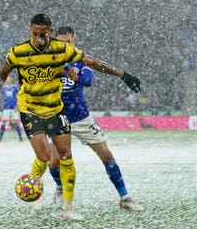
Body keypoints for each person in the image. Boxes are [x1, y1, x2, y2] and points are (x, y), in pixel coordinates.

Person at [0, 13, 141, 220]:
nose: (39, 39)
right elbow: (2, 74)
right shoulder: (20, 53)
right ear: (30, 31)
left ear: (68, 39)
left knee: (96, 155)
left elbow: (91, 70)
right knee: (49, 160)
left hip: (74, 114)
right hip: (41, 110)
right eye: (35, 34)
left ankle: (119, 197)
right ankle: (55, 190)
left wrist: (122, 75)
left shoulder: (67, 55)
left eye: (44, 35)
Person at [47, 26, 142, 211]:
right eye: (60, 42)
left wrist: (77, 78)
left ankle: (125, 197)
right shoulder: (49, 61)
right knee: (54, 161)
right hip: (57, 117)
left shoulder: (80, 60)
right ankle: (60, 189)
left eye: (68, 41)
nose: (64, 45)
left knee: (106, 155)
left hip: (81, 117)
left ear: (74, 40)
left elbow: (89, 80)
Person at [0, 75, 24, 142]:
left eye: (9, 79)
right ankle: (0, 138)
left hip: (14, 108)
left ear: (11, 80)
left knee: (16, 122)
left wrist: (18, 106)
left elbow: (19, 96)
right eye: (7, 79)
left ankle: (20, 138)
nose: (8, 80)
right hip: (6, 108)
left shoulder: (15, 88)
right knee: (4, 123)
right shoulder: (4, 88)